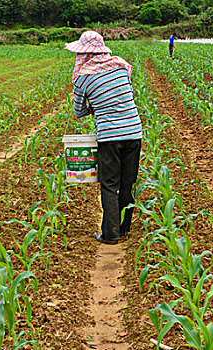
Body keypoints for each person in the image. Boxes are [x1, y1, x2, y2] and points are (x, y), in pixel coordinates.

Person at [65, 31, 142, 245]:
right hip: (134, 131)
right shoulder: (120, 66)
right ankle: (125, 228)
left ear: (83, 54)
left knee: (109, 184)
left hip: (109, 136)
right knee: (127, 183)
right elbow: (124, 95)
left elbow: (79, 112)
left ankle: (110, 234)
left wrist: (95, 107)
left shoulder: (82, 78)